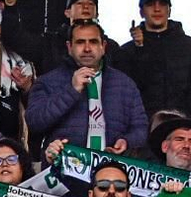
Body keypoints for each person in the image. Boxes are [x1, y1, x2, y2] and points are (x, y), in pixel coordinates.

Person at [26, 20, 148, 158]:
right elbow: (34, 123)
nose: (87, 48)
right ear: (69, 47)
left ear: (103, 46)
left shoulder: (125, 84)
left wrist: (127, 141)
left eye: (93, 42)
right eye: (80, 42)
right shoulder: (47, 81)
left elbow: (141, 127)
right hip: (64, 166)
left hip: (111, 167)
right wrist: (71, 90)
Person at [112, 0, 191, 131]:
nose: (157, 9)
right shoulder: (127, 51)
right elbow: (120, 95)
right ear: (141, 12)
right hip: (141, 131)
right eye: (151, 4)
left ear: (169, 10)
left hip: (182, 128)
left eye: (162, 4)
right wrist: (140, 48)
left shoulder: (188, 45)